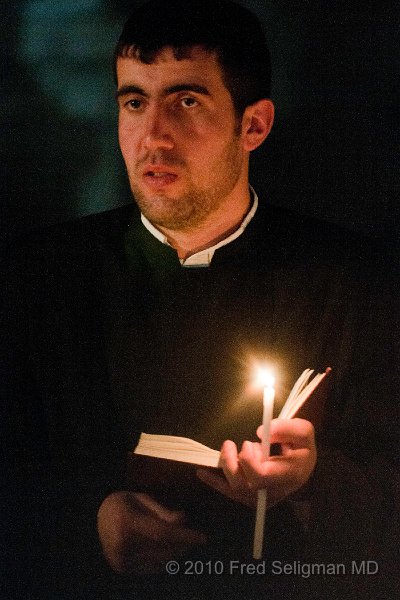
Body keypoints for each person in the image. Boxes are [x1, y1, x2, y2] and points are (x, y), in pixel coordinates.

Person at [1, 1, 398, 599]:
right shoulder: (34, 276)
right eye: (134, 102)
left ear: (254, 125)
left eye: (186, 101)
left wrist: (316, 480)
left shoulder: (357, 283)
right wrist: (90, 525)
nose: (152, 133)